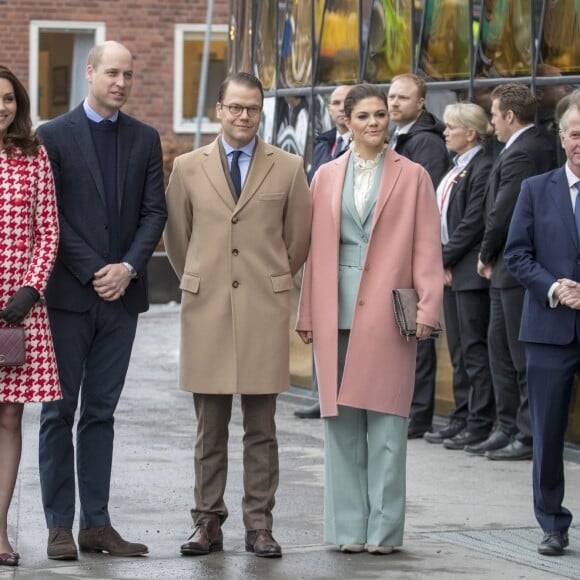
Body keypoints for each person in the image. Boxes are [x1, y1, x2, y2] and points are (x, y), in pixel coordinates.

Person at [164, 72, 312, 559]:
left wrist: (268, 281)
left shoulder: (289, 167)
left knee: (262, 427)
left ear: (261, 111)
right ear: (220, 110)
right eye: (235, 108)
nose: (243, 116)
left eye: (252, 108)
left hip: (263, 310)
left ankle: (259, 525)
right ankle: (206, 522)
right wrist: (201, 278)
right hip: (206, 310)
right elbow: (179, 240)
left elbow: (297, 241)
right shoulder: (187, 167)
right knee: (209, 427)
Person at [296, 84, 443, 554]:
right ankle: (346, 531)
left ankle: (383, 533)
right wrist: (307, 311)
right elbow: (315, 251)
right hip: (333, 309)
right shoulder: (324, 175)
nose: (374, 122)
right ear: (347, 121)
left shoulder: (414, 175)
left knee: (387, 425)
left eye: (381, 114)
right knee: (339, 426)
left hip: (388, 312)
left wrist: (428, 309)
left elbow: (427, 247)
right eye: (364, 116)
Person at [37, 41, 167, 560]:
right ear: (89, 73)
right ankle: (58, 526)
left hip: (121, 300)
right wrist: (95, 269)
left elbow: (153, 212)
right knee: (57, 412)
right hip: (69, 296)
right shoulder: (53, 136)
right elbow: (52, 216)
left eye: (128, 75)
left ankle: (96, 524)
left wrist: (128, 267)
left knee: (102, 413)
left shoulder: (145, 138)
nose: (121, 82)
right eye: (111, 72)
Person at [504, 91, 580, 556]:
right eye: (576, 133)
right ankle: (553, 523)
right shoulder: (536, 189)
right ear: (562, 135)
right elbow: (516, 254)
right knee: (548, 433)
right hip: (550, 330)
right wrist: (555, 288)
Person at [473, 83, 556, 459]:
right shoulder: (520, 146)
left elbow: (504, 211)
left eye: (493, 116)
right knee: (500, 352)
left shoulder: (526, 150)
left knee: (519, 356)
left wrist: (485, 252)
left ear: (509, 116)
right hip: (506, 270)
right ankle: (507, 427)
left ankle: (525, 435)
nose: (492, 124)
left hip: (515, 267)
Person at [0, 66, 61, 568]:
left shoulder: (32, 154)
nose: (2, 107)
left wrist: (31, 287)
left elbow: (49, 231)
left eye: (8, 99)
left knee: (9, 416)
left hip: (18, 308)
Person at [423, 103, 496, 447]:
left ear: (471, 133)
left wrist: (442, 260)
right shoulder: (457, 167)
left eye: (452, 127)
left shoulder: (482, 167)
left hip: (466, 272)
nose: (445, 132)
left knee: (474, 350)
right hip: (451, 269)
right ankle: (461, 416)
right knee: (457, 350)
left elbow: (472, 223)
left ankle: (479, 421)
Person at [387, 73, 449, 439]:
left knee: (418, 335)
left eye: (403, 98)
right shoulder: (398, 136)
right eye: (391, 96)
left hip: (414, 252)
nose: (394, 103)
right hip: (397, 251)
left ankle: (419, 413)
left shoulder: (425, 142)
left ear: (421, 103)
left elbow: (424, 203)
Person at [295, 84, 351, 420]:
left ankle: (342, 395)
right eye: (335, 103)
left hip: (346, 245)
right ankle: (323, 394)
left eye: (346, 103)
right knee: (321, 321)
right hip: (319, 241)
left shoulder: (360, 149)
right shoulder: (324, 142)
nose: (340, 109)